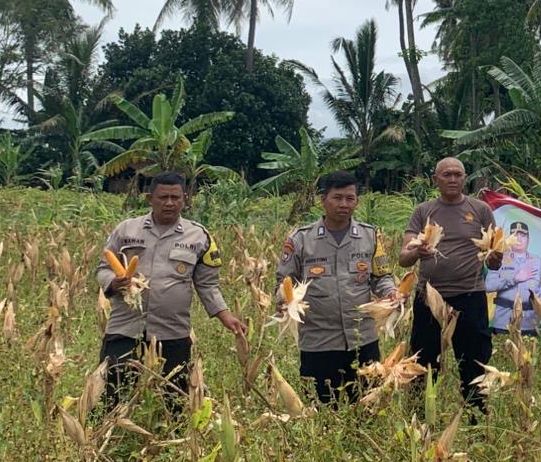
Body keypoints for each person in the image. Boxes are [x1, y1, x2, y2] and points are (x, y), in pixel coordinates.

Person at [95, 171, 246, 406]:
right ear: (149, 199)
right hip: (125, 327)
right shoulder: (126, 230)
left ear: (185, 198)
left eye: (175, 198)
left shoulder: (199, 236)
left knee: (174, 399)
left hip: (172, 331)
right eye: (163, 197)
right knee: (113, 392)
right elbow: (103, 269)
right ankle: (110, 429)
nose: (169, 203)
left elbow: (207, 284)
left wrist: (225, 316)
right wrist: (113, 282)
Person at [274, 170, 396, 404]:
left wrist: (390, 292)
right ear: (323, 200)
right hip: (319, 341)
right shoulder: (300, 239)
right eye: (337, 198)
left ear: (357, 201)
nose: (344, 204)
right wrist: (283, 300)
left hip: (362, 340)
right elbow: (283, 282)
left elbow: (381, 277)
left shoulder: (370, 236)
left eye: (350, 198)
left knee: (367, 407)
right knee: (320, 408)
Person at [399, 157, 502, 410]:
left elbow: (495, 260)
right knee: (423, 362)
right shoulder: (423, 211)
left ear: (465, 178)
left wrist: (496, 257)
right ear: (436, 179)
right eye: (447, 175)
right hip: (429, 298)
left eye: (458, 174)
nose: (453, 179)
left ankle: (477, 415)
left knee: (475, 363)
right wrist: (417, 252)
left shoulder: (480, 210)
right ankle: (419, 416)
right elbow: (403, 258)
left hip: (470, 297)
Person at [485, 220, 541, 335]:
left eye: (523, 235)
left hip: (530, 323)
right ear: (509, 238)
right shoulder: (498, 258)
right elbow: (488, 286)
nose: (519, 239)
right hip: (503, 322)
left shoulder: (538, 262)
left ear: (528, 239)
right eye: (515, 235)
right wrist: (514, 278)